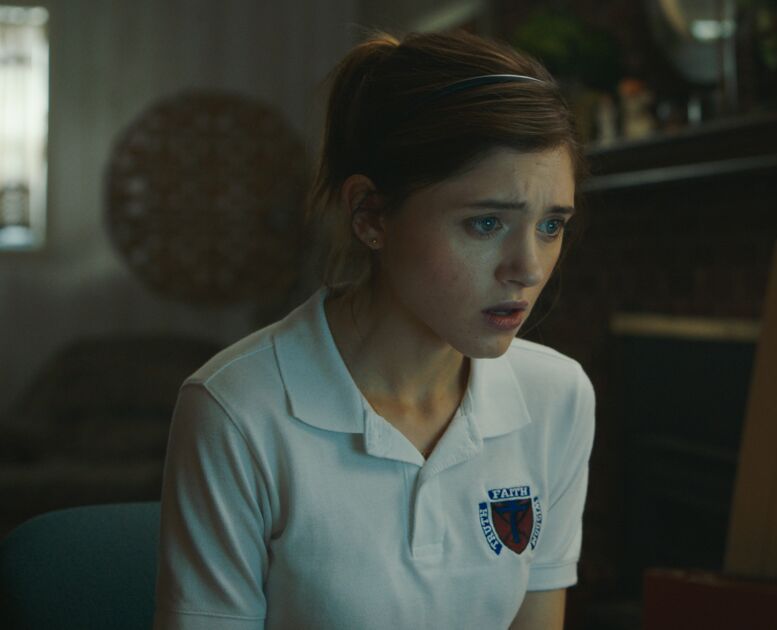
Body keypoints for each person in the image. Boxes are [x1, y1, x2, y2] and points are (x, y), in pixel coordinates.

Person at [153, 28, 596, 630]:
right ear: (370, 215)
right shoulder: (237, 409)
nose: (530, 268)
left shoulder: (557, 396)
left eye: (551, 226)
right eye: (487, 222)